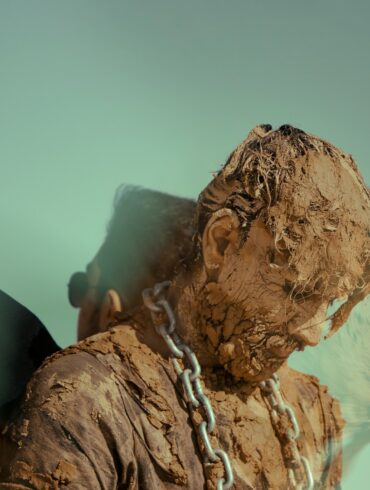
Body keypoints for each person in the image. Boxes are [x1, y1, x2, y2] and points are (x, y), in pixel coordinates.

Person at [0, 125, 369, 489]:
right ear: (222, 243)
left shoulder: (314, 414)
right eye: (297, 293)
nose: (314, 332)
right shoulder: (86, 400)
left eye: (331, 302)